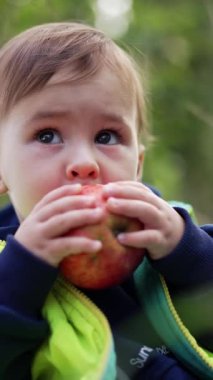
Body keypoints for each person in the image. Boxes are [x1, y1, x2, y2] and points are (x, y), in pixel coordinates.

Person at [0, 22, 212, 380]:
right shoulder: (8, 268)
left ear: (138, 165)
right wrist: (23, 269)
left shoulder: (172, 239)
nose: (85, 162)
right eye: (47, 135)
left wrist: (187, 251)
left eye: (106, 135)